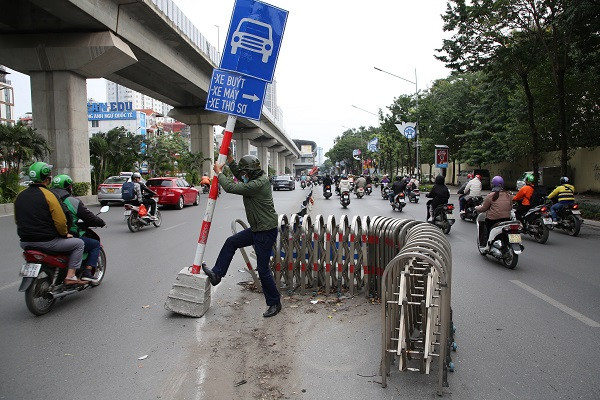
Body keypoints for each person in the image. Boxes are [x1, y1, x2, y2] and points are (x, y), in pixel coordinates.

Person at [203, 153, 282, 318]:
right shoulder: (254, 178)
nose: (243, 176)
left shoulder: (258, 184)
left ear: (251, 172)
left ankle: (274, 303)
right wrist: (231, 161)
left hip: (265, 231)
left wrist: (219, 173)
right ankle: (217, 274)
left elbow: (231, 187)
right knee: (231, 242)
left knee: (263, 269)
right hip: (257, 228)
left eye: (246, 173)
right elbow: (241, 176)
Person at [14, 162, 86, 285]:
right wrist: (64, 234)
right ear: (48, 178)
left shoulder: (20, 196)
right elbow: (60, 221)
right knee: (79, 243)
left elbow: (17, 219)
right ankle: (70, 276)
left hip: (25, 242)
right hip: (47, 242)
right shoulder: (50, 195)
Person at [51, 174, 106, 282]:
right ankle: (87, 272)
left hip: (48, 236)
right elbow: (88, 217)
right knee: (95, 244)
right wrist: (100, 222)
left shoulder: (48, 198)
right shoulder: (71, 201)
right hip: (66, 235)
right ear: (68, 187)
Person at [475, 176, 513, 243]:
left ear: (493, 185)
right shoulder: (509, 195)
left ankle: (486, 242)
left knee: (485, 225)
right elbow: (511, 206)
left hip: (493, 220)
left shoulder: (491, 196)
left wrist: (476, 208)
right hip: (507, 219)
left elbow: (484, 208)